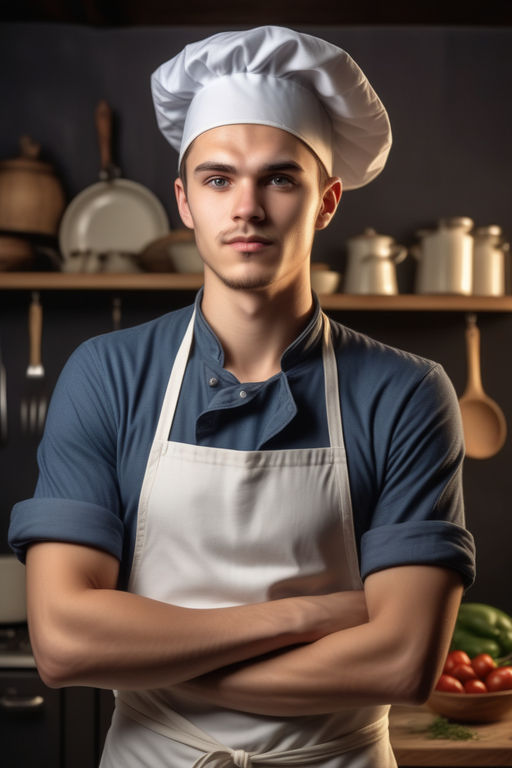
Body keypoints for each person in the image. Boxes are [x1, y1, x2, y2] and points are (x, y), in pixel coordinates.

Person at [9, 25, 475, 768]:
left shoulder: (408, 393)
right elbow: (64, 644)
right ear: (185, 202)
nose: (247, 208)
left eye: (280, 178)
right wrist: (313, 614)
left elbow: (402, 662)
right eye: (219, 179)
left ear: (326, 202)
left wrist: (150, 654)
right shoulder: (107, 375)